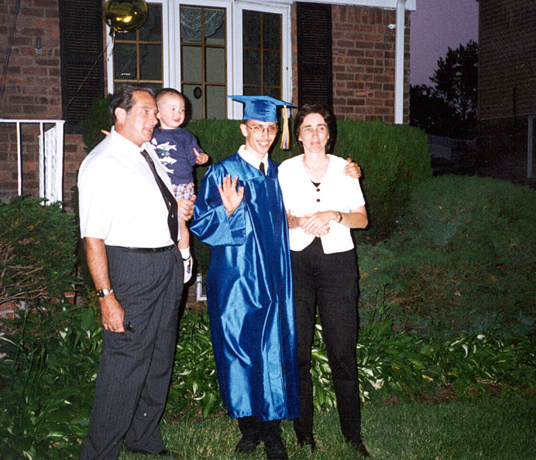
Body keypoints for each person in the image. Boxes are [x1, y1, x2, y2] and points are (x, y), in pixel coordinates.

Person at [78, 85, 194, 459]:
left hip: (165, 264)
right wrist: (106, 297)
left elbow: (159, 204)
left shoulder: (146, 153)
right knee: (124, 364)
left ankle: (142, 437)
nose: (155, 118)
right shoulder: (102, 163)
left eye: (154, 113)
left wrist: (180, 215)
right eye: (146, 111)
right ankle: (99, 453)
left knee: (160, 357)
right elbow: (92, 238)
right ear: (120, 115)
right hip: (131, 268)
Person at [190, 96, 298, 460]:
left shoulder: (279, 173)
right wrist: (229, 211)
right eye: (257, 128)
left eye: (270, 129)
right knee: (237, 349)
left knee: (270, 349)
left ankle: (273, 434)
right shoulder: (223, 172)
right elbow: (202, 224)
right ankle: (249, 429)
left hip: (275, 275)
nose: (264, 136)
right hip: (236, 278)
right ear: (244, 129)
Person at [277, 103, 370, 457]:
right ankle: (304, 434)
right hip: (297, 263)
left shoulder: (346, 169)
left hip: (338, 266)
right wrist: (301, 221)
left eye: (321, 128)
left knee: (343, 351)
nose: (314, 135)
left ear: (328, 134)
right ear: (298, 135)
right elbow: (277, 217)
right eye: (308, 128)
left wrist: (333, 214)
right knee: (298, 351)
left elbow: (361, 219)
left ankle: (353, 435)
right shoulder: (284, 170)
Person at [149, 87, 209, 283]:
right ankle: (160, 258)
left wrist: (201, 157)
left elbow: (195, 156)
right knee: (159, 221)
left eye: (182, 110)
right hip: (158, 187)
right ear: (157, 113)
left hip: (181, 185)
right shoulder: (150, 135)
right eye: (172, 109)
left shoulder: (185, 136)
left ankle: (185, 257)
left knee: (180, 221)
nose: (178, 114)